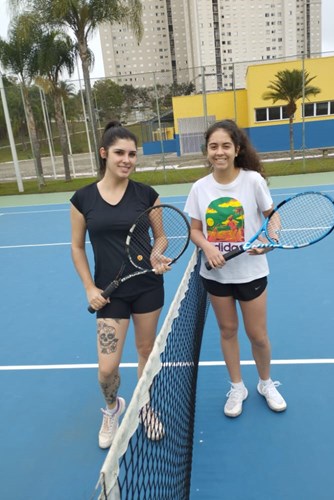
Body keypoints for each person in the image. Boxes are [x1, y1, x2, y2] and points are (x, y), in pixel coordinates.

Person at [70, 120, 169, 448]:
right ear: (104, 154)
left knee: (145, 352)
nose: (127, 159)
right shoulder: (82, 199)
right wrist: (89, 287)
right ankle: (112, 407)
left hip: (146, 287)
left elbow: (161, 237)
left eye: (132, 154)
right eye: (119, 153)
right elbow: (77, 246)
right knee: (106, 370)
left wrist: (157, 255)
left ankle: (145, 407)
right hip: (108, 294)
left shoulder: (146, 195)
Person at [184, 119, 287, 417]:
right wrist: (207, 247)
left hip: (251, 272)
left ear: (237, 149)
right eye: (213, 146)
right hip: (216, 275)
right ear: (207, 151)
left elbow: (273, 216)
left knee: (257, 335)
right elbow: (194, 230)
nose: (219, 152)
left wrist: (271, 238)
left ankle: (265, 383)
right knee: (227, 331)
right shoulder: (199, 188)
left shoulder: (253, 180)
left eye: (225, 146)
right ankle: (237, 386)